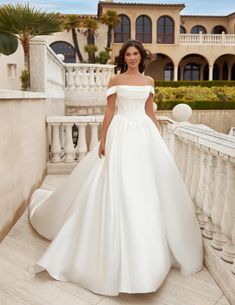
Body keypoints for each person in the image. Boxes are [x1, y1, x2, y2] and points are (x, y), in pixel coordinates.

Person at [29, 39, 203, 296]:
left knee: (145, 188)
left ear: (141, 57)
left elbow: (148, 112)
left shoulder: (149, 82)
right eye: (128, 54)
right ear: (124, 57)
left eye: (136, 54)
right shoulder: (115, 80)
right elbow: (109, 112)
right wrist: (103, 139)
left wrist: (157, 134)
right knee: (118, 183)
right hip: (121, 133)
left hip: (143, 135)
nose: (132, 57)